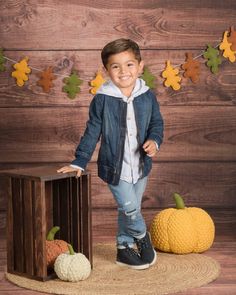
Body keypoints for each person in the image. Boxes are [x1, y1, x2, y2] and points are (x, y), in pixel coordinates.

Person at [57, 38, 164, 270]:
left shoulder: (148, 96)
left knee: (128, 208)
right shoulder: (102, 99)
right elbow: (92, 130)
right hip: (115, 167)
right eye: (116, 66)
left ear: (140, 66)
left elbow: (157, 123)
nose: (123, 71)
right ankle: (142, 237)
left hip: (141, 167)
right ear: (107, 71)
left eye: (129, 65)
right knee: (130, 208)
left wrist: (154, 140)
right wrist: (79, 161)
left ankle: (124, 249)